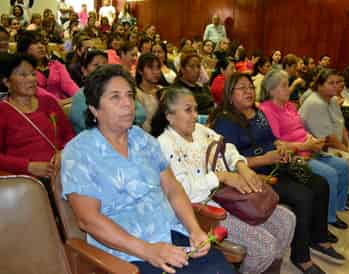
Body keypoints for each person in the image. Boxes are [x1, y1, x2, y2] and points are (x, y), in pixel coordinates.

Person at [61, 64, 236, 274]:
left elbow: (172, 189)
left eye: (129, 95)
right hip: (125, 253)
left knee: (220, 269)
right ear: (94, 109)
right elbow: (88, 220)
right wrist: (148, 251)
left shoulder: (142, 139)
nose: (127, 104)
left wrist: (195, 229)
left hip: (171, 234)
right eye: (115, 97)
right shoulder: (79, 152)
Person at [211, 72, 345, 274]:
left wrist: (281, 146)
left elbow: (273, 139)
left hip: (277, 164)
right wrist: (267, 158)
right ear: (230, 94)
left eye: (250, 87)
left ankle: (319, 238)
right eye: (242, 88)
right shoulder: (225, 121)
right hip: (255, 175)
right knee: (303, 196)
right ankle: (301, 257)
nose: (249, 91)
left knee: (320, 184)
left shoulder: (256, 112)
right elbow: (228, 163)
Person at [152, 86, 296, 274]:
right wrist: (222, 177)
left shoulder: (199, 131)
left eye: (195, 109)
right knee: (264, 246)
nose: (195, 115)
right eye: (188, 110)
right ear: (170, 116)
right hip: (204, 211)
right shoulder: (164, 144)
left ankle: (270, 270)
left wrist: (241, 167)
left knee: (287, 220)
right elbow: (183, 191)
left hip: (230, 197)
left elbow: (227, 147)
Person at [259, 69, 349, 228]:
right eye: (285, 86)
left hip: (309, 148)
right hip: (295, 155)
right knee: (329, 174)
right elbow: (276, 143)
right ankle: (328, 218)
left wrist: (311, 139)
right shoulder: (267, 110)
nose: (289, 89)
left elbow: (300, 130)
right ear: (272, 90)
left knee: (343, 166)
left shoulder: (290, 106)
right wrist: (305, 145)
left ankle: (335, 207)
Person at [0, 53, 74, 177]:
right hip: (26, 182)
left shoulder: (49, 103)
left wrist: (63, 153)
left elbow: (69, 136)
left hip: (63, 171)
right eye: (23, 75)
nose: (31, 79)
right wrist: (28, 166)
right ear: (7, 82)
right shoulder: (3, 111)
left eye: (33, 74)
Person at [69, 50, 145, 134]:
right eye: (96, 65)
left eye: (104, 64)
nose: (101, 67)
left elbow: (141, 113)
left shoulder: (119, 89)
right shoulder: (81, 97)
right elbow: (91, 126)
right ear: (84, 70)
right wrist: (124, 117)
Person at [17, 30, 79, 99]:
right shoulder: (20, 70)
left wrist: (81, 98)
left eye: (42, 43)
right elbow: (36, 92)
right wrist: (56, 102)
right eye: (35, 43)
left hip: (63, 104)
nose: (41, 46)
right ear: (24, 48)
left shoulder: (55, 64)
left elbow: (69, 84)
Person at [135, 53, 162, 133]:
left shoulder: (162, 90)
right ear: (140, 71)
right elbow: (143, 126)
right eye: (150, 67)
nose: (155, 72)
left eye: (158, 67)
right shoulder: (136, 94)